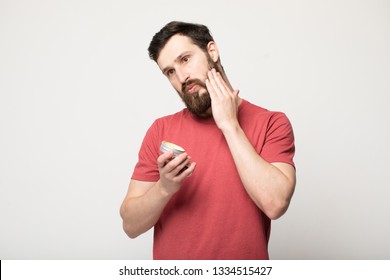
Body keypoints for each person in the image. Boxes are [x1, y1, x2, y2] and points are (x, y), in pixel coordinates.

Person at [120, 21, 296, 260]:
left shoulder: (271, 123)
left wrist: (229, 125)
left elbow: (275, 203)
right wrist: (163, 188)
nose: (182, 77)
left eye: (185, 59)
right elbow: (130, 225)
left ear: (211, 52)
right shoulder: (161, 130)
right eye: (170, 71)